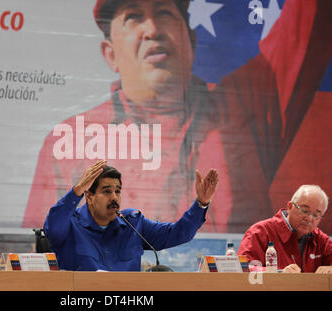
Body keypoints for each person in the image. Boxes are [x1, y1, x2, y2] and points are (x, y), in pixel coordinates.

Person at [23, 0, 332, 233]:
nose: (153, 30)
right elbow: (44, 244)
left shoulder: (245, 104)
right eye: (133, 17)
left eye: (165, 13)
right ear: (110, 54)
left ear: (192, 42)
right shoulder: (71, 140)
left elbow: (307, 21)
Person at [44, 160, 218, 271]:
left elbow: (178, 233)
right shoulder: (70, 226)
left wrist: (201, 203)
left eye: (117, 191)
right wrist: (77, 191)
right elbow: (52, 227)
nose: (114, 197)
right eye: (106, 191)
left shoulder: (133, 223)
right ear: (89, 196)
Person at [238, 185, 332, 273]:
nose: (309, 218)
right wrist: (278, 273)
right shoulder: (260, 232)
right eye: (305, 211)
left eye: (316, 215)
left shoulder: (321, 240)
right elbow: (242, 268)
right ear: (290, 207)